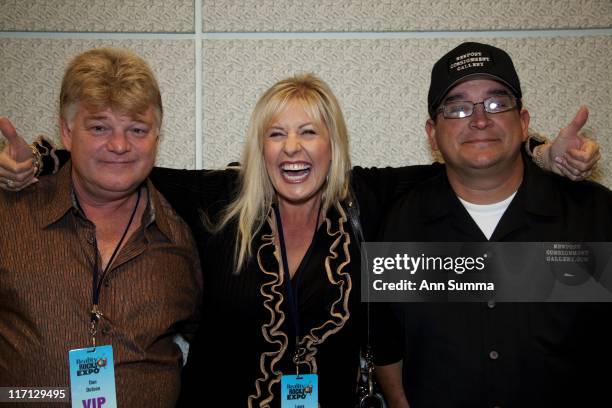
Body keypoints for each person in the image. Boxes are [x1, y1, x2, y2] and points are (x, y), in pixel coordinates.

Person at [0, 72, 601, 405]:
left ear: (332, 145)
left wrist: (541, 150)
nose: (292, 148)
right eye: (276, 133)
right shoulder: (218, 202)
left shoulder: (368, 201)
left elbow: (467, 154)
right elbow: (122, 161)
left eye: (309, 131)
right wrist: (45, 158)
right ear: (258, 148)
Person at [372, 42, 612, 408]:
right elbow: (387, 348)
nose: (480, 120)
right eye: (457, 107)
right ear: (432, 134)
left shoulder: (594, 215)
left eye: (497, 103)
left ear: (524, 123)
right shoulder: (398, 223)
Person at [0, 48, 202, 407]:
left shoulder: (186, 237)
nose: (120, 145)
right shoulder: (10, 219)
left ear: (157, 135)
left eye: (137, 129)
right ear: (66, 130)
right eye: (99, 127)